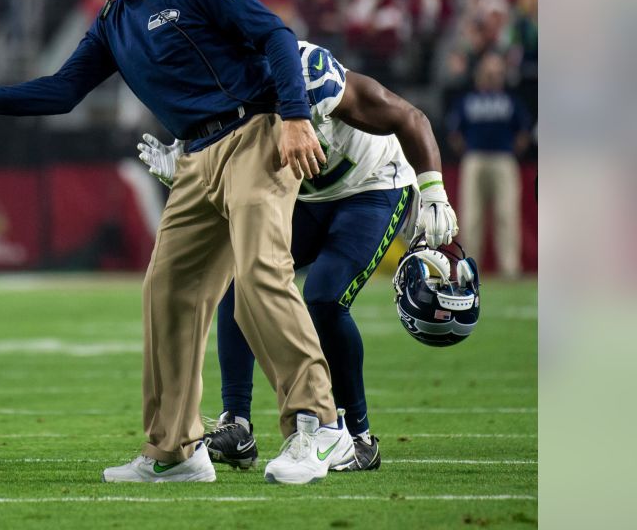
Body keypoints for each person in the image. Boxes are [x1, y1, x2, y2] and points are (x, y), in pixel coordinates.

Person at [0, 0, 350, 485]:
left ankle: (320, 426)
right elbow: (58, 92)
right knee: (166, 290)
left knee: (259, 275)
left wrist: (296, 115)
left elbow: (276, 36)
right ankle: (176, 452)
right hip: (195, 160)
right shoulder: (112, 22)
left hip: (255, 133)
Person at [138, 39, 459, 473]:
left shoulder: (310, 72)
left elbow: (409, 116)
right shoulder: (220, 88)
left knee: (324, 299)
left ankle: (358, 436)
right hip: (306, 195)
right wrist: (188, 171)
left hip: (371, 186)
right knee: (245, 281)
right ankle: (237, 423)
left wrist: (434, 190)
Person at [447, 52, 532, 278]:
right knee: (471, 216)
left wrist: (512, 151)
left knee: (506, 215)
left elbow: (523, 131)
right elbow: (455, 132)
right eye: (490, 72)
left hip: (503, 159)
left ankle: (510, 268)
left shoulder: (510, 101)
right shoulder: (468, 100)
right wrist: (467, 151)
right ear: (480, 74)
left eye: (497, 72)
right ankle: (469, 270)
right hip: (475, 158)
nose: (494, 76)